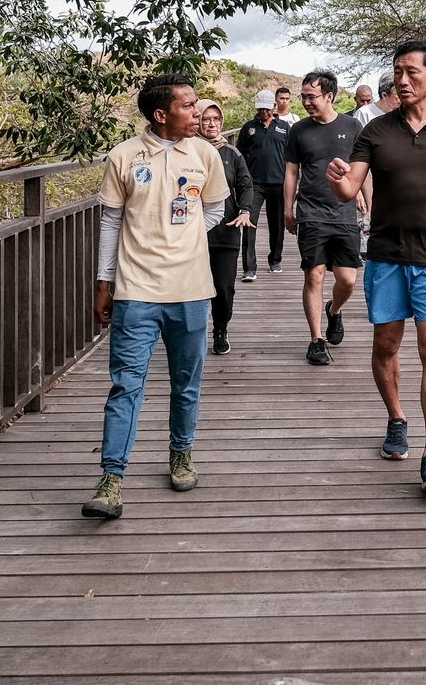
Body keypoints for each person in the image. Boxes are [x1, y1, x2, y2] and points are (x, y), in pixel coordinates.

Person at [327, 39, 426, 494]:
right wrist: (339, 182)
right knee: (386, 344)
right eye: (397, 72)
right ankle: (396, 418)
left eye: (412, 72)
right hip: (386, 255)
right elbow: (350, 188)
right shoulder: (375, 131)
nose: (403, 81)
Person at [83, 75, 231, 519]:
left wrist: (187, 236)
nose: (197, 113)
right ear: (161, 114)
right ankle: (111, 479)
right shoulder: (124, 156)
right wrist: (104, 282)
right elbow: (111, 222)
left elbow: (214, 208)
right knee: (126, 384)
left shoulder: (206, 154)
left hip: (191, 289)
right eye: (188, 106)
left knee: (186, 381)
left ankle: (181, 452)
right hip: (136, 290)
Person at [283, 70, 365, 365]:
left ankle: (334, 310)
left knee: (348, 280)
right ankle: (316, 340)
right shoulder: (299, 130)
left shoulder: (352, 126)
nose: (306, 102)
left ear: (329, 96)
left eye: (311, 96)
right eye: (303, 96)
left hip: (344, 213)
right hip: (311, 212)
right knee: (314, 274)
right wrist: (288, 209)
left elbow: (363, 168)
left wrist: (366, 200)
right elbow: (292, 171)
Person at [197, 100, 254, 356]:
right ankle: (193, 333)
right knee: (192, 288)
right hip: (191, 233)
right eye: (206, 119)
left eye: (216, 119)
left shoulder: (232, 154)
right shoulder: (187, 151)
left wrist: (245, 210)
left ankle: (220, 328)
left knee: (223, 287)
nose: (212, 124)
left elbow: (245, 185)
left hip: (226, 229)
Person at [236, 92, 291, 276]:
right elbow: (240, 155)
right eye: (260, 109)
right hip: (255, 184)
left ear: (273, 108)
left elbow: (291, 157)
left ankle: (275, 260)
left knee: (277, 225)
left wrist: (294, 182)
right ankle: (249, 268)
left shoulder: (284, 127)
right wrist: (241, 181)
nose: (263, 112)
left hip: (279, 183)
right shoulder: (248, 128)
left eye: (266, 109)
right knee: (248, 223)